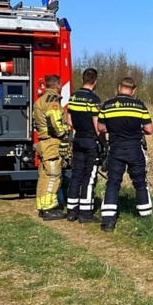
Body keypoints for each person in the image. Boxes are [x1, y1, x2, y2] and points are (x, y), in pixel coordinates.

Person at [98, 76, 153, 231]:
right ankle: (146, 216)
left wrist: (113, 128)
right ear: (134, 90)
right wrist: (137, 130)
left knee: (113, 183)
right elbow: (149, 129)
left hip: (116, 149)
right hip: (134, 149)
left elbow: (100, 128)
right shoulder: (139, 106)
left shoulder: (108, 105)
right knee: (140, 182)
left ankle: (108, 221)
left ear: (119, 87)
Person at [65, 68, 103, 223]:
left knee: (76, 174)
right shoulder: (93, 99)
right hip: (90, 140)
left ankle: (71, 211)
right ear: (95, 81)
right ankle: (85, 213)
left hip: (77, 139)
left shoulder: (73, 97)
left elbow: (69, 121)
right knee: (89, 175)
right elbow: (97, 125)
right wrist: (104, 142)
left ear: (83, 79)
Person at [33, 75, 67, 219]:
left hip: (43, 142)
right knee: (53, 175)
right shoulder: (52, 102)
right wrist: (64, 133)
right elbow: (55, 123)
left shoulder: (40, 100)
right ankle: (49, 208)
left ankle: (42, 206)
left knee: (44, 176)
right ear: (58, 85)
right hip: (52, 143)